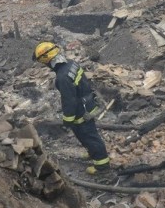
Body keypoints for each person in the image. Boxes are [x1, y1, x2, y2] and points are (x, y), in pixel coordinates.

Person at [33, 41, 110, 175]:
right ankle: (93, 153)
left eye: (43, 63)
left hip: (81, 110)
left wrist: (67, 119)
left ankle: (102, 166)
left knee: (89, 136)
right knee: (86, 135)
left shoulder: (62, 77)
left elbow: (69, 100)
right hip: (88, 102)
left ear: (48, 60)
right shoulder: (71, 63)